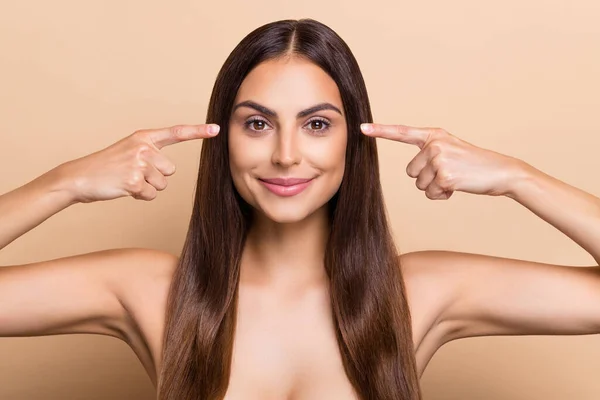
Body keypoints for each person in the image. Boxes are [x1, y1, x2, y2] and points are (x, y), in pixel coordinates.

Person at [1, 17, 599, 400]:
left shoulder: (418, 291)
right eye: (257, 123)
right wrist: (65, 183)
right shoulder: (151, 289)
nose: (286, 155)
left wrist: (519, 178)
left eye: (316, 124)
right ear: (223, 139)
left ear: (351, 142)